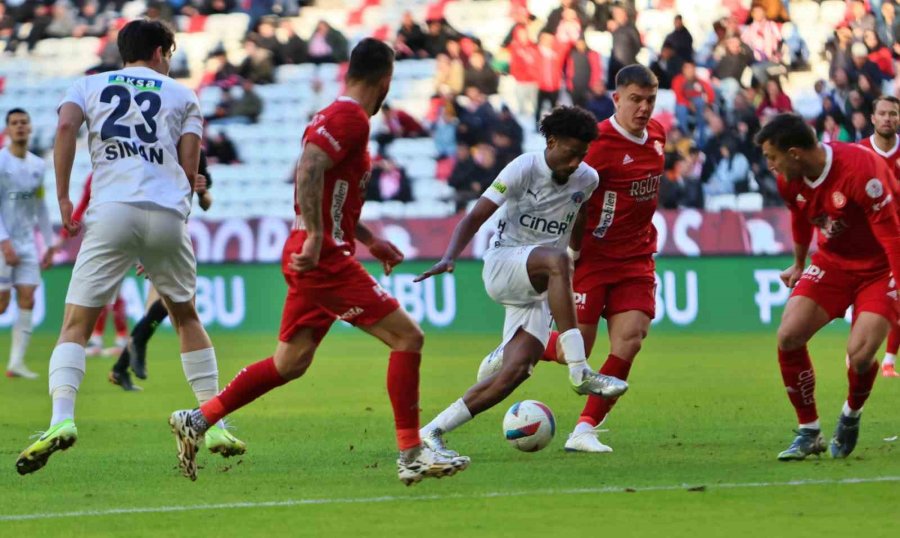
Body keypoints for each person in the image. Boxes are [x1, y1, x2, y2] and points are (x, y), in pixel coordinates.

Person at [168, 38, 470, 485]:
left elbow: (334, 193)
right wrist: (315, 235)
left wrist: (371, 240)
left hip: (321, 250)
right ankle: (411, 455)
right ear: (385, 80)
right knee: (408, 338)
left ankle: (199, 419)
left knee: (290, 363)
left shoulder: (339, 116)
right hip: (322, 255)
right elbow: (308, 168)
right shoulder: (349, 116)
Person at [15, 19, 244, 476]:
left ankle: (62, 420)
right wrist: (172, 222)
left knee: (75, 324)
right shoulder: (183, 94)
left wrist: (62, 197)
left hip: (112, 210)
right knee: (186, 316)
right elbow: (189, 163)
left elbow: (64, 128)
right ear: (161, 52)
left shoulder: (88, 85)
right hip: (165, 214)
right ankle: (213, 421)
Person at [416, 106, 628, 458]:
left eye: (583, 154)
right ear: (551, 140)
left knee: (515, 373)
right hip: (503, 265)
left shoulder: (586, 179)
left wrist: (575, 250)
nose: (576, 162)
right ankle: (580, 371)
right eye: (571, 152)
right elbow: (476, 215)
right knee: (557, 261)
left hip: (537, 285)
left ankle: (431, 431)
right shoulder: (523, 168)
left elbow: (580, 211)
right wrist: (450, 255)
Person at [518, 65, 668, 453]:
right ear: (616, 99)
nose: (644, 108)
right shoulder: (596, 144)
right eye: (635, 99)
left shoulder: (658, 136)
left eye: (650, 99)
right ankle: (515, 348)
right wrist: (564, 250)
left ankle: (584, 428)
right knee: (577, 347)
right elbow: (561, 194)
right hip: (591, 258)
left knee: (630, 340)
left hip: (636, 257)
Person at [756, 113, 900, 460]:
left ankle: (851, 414)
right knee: (788, 336)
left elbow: (892, 234)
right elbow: (799, 216)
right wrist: (799, 262)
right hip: (832, 264)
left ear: (794, 153)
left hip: (879, 268)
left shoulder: (859, 171)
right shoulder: (789, 180)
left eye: (772, 157)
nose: (771, 166)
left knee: (861, 354)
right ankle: (809, 431)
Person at [109, 151, 215, 392]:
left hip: (173, 235)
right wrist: (146, 250)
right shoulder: (152, 147)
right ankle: (130, 353)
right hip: (152, 232)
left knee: (159, 310)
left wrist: (202, 192)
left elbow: (207, 203)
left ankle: (120, 367)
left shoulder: (196, 153)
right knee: (177, 306)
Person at [0, 108, 56, 380]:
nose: (20, 127)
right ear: (7, 129)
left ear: (30, 127)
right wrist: (4, 241)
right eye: (14, 123)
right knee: (1, 302)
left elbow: (41, 205)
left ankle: (16, 363)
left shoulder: (37, 165)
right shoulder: (1, 162)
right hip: (3, 242)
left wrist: (49, 242)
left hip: (26, 243)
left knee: (28, 297)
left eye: (24, 122)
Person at [858, 95, 900, 378]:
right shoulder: (858, 152)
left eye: (893, 114)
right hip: (865, 242)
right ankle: (859, 353)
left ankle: (887, 360)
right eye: (883, 113)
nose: (888, 118)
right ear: (873, 118)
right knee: (861, 299)